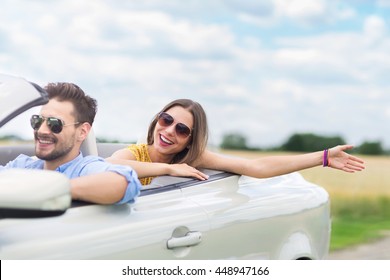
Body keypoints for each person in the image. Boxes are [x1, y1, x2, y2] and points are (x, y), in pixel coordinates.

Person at [106, 99, 365, 185]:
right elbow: (109, 166)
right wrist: (168, 168)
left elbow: (257, 168)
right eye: (166, 119)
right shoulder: (134, 154)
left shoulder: (191, 158)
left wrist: (322, 157)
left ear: (190, 141)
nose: (170, 130)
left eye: (182, 129)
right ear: (156, 121)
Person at [0, 82, 141, 204]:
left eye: (54, 123)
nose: (42, 130)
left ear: (82, 132)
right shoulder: (22, 166)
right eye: (37, 120)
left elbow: (125, 182)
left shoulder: (85, 169)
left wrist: (48, 189)